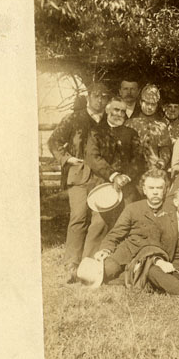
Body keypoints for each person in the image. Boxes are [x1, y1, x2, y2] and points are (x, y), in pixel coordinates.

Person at [48, 80, 110, 281]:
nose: (100, 101)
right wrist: (67, 159)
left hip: (102, 177)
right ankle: (71, 264)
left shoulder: (110, 119)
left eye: (104, 97)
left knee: (100, 219)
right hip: (79, 175)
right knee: (79, 216)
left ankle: (89, 262)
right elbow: (54, 141)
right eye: (96, 96)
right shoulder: (74, 118)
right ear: (88, 97)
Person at [83, 99, 145, 257]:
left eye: (123, 111)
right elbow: (93, 157)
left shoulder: (131, 133)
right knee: (99, 224)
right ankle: (89, 263)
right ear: (107, 111)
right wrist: (114, 175)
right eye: (116, 110)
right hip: (103, 184)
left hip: (127, 185)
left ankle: (125, 261)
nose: (119, 114)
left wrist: (126, 176)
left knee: (130, 221)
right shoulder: (96, 132)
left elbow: (138, 158)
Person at [92, 169, 170, 282]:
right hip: (127, 253)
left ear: (166, 189)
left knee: (153, 275)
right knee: (107, 270)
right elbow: (115, 234)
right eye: (151, 188)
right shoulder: (132, 208)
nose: (155, 192)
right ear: (144, 190)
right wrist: (105, 250)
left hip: (152, 257)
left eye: (159, 188)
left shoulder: (171, 211)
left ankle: (129, 276)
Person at [126, 83, 172, 171]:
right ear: (140, 102)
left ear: (157, 105)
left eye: (153, 104)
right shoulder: (130, 123)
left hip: (154, 168)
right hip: (133, 169)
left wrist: (163, 161)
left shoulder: (161, 126)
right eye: (147, 103)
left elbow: (165, 147)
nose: (150, 107)